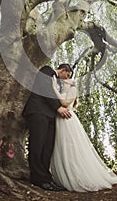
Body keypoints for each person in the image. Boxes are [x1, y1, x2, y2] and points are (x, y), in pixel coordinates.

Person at [50, 78, 117, 192]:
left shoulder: (73, 88)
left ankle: (77, 177)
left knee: (72, 148)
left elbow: (65, 103)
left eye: (68, 76)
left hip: (67, 119)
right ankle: (64, 177)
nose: (66, 78)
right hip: (59, 120)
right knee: (61, 148)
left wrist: (53, 89)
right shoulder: (61, 87)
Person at [22, 63, 73, 191]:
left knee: (47, 147)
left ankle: (46, 178)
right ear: (63, 70)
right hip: (38, 112)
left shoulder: (58, 82)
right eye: (67, 75)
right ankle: (37, 178)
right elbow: (45, 89)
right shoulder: (46, 70)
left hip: (51, 116)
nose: (66, 78)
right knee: (37, 145)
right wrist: (58, 107)